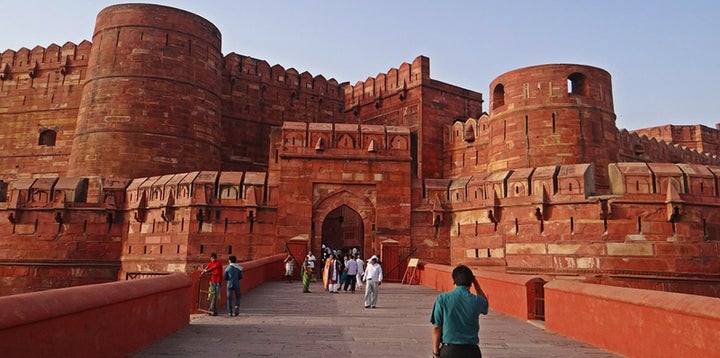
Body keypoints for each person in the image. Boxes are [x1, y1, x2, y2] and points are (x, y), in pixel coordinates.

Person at [430, 265, 489, 358]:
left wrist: (435, 352)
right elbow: (485, 306)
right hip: (471, 351)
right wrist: (476, 284)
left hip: (450, 350)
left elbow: (437, 327)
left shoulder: (443, 299)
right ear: (470, 282)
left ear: (454, 280)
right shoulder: (477, 300)